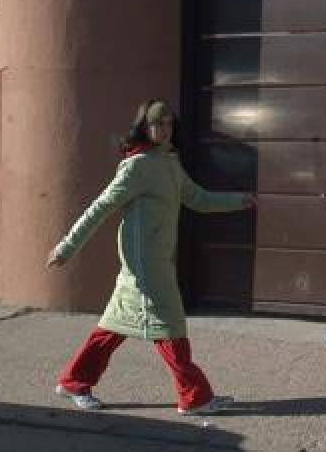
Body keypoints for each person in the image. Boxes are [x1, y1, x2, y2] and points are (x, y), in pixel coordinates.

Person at [46, 100, 256, 415]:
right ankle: (195, 397)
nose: (164, 130)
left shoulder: (169, 162)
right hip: (144, 270)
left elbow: (198, 198)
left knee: (113, 328)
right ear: (145, 127)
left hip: (154, 265)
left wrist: (240, 200)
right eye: (157, 124)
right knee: (170, 327)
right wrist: (66, 247)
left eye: (168, 123)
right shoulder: (137, 166)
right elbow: (99, 208)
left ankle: (75, 380)